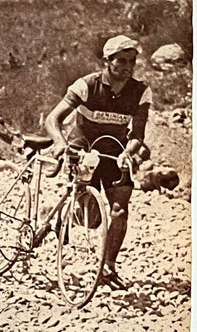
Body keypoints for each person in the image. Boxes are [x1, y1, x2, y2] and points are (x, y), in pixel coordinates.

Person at [43, 35, 152, 290]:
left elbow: (137, 135)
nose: (127, 67)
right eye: (121, 61)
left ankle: (108, 267)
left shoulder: (140, 92)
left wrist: (129, 152)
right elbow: (53, 119)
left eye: (132, 62)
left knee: (120, 210)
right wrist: (60, 143)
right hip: (84, 148)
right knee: (92, 220)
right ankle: (61, 212)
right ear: (107, 61)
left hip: (115, 152)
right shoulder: (86, 85)